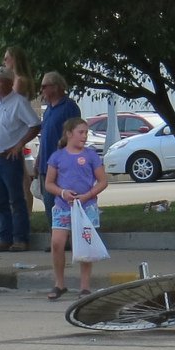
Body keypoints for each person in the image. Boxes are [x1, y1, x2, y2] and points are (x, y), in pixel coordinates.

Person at [44, 116, 107, 299]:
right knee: (57, 243)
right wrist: (63, 193)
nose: (84, 136)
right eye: (81, 132)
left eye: (86, 132)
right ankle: (59, 284)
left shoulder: (91, 155)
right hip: (63, 206)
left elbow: (103, 181)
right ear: (69, 133)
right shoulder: (57, 156)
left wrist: (88, 195)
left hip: (86, 207)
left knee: (85, 246)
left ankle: (85, 286)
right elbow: (49, 183)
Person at [0, 68, 41, 254]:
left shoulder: (18, 102)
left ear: (9, 82)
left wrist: (20, 144)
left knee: (16, 199)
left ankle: (20, 238)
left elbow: (35, 124)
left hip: (10, 157)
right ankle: (5, 238)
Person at [35, 72, 80, 204]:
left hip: (61, 166)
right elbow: (45, 136)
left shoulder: (69, 107)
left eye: (44, 86)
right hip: (45, 165)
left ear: (55, 87)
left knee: (62, 206)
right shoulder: (49, 109)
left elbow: (75, 135)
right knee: (50, 206)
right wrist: (39, 159)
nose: (41, 90)